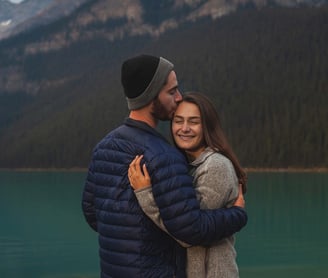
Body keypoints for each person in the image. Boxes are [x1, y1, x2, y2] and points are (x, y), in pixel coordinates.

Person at [81, 54, 247, 278]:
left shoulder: (103, 148)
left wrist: (127, 237)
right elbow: (192, 229)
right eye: (171, 91)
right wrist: (237, 215)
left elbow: (92, 212)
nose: (178, 98)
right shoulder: (164, 156)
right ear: (152, 96)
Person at [128, 92, 247, 278]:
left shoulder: (215, 166)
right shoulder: (184, 165)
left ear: (207, 126)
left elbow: (188, 233)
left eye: (193, 122)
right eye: (178, 121)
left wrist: (145, 194)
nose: (184, 128)